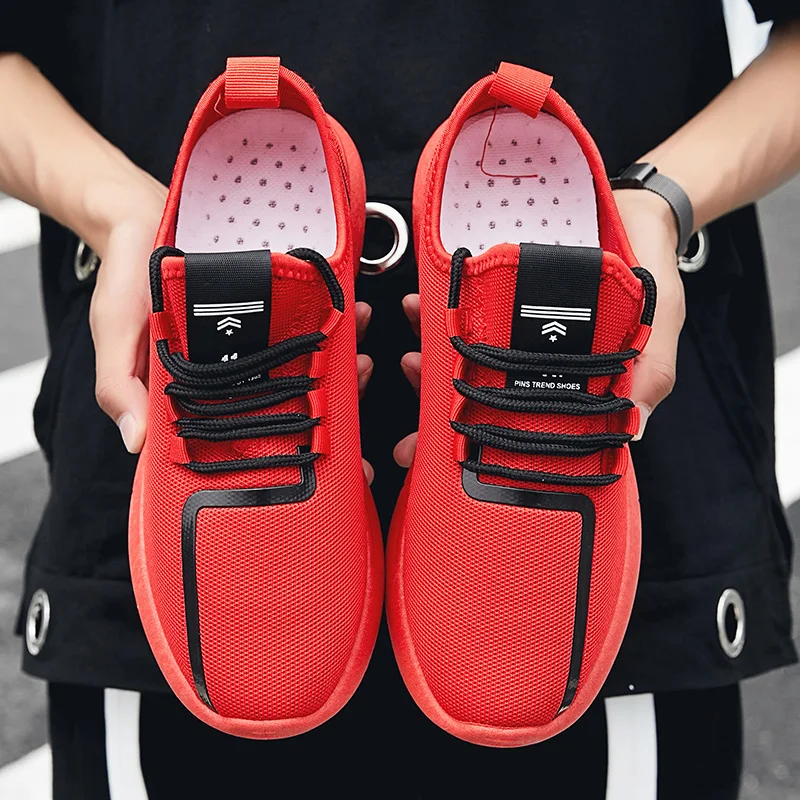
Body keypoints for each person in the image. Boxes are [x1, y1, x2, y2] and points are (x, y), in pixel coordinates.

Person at [1, 2, 798, 797]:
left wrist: (661, 199)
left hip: (633, 542)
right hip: (161, 541)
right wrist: (117, 209)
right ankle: (244, 326)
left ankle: (531, 343)